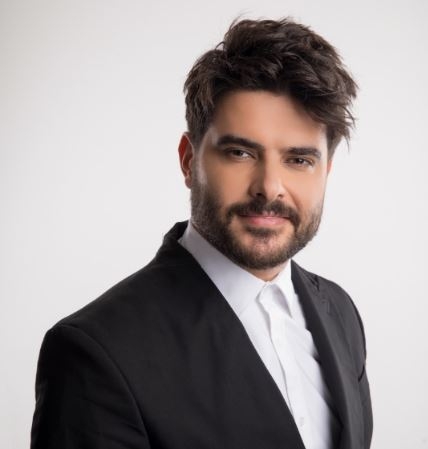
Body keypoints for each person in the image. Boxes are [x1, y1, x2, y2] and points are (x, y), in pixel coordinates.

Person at [31, 18, 372, 449]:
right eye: (240, 152)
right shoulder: (96, 352)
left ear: (326, 171)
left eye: (299, 160)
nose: (270, 187)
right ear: (188, 160)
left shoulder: (340, 311)